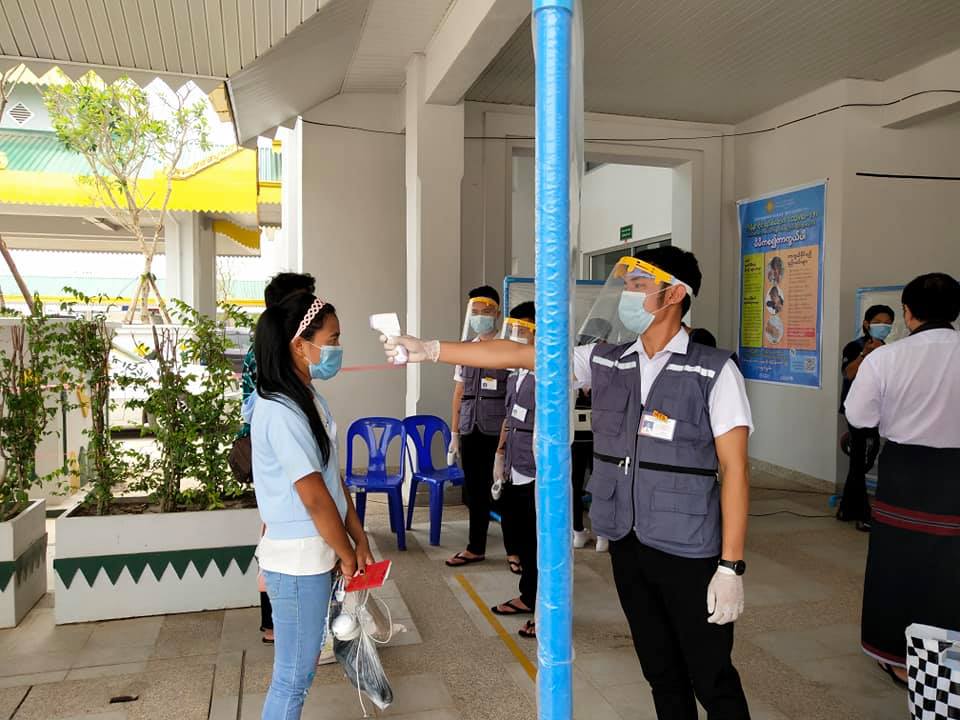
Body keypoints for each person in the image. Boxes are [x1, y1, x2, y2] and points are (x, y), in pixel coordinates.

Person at [383, 246, 754, 719]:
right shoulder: (608, 359)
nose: (627, 295)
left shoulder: (714, 370)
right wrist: (432, 350)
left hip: (689, 548)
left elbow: (735, 471)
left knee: (711, 675)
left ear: (675, 294)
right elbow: (522, 354)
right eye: (627, 285)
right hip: (628, 540)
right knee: (660, 670)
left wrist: (730, 567)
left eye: (639, 286)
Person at [247, 288, 374, 719]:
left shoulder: (308, 399)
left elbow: (332, 478)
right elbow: (314, 496)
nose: (337, 348)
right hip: (297, 559)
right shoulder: (279, 409)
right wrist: (346, 553)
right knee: (293, 678)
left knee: (298, 674)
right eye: (332, 339)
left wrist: (357, 537)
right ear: (300, 345)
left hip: (316, 550)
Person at [845, 273, 960, 688]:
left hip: (906, 472)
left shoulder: (885, 358)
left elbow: (859, 416)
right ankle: (951, 652)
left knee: (898, 564)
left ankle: (897, 657)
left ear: (907, 313)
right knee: (951, 564)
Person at [240, 273, 317, 645]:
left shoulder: (278, 355)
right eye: (307, 302)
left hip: (273, 453)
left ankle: (278, 620)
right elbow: (315, 495)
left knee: (275, 530)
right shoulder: (275, 373)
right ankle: (275, 620)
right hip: (274, 456)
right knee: (276, 533)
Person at [446, 286, 518, 572]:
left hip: (497, 431)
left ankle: (515, 551)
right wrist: (454, 433)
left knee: (505, 492)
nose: (479, 317)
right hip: (470, 429)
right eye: (474, 312)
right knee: (474, 492)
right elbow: (459, 392)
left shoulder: (508, 348)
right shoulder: (466, 349)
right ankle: (475, 547)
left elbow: (514, 397)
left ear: (497, 313)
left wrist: (504, 445)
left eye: (485, 312)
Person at [490, 302, 539, 638]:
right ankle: (528, 595)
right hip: (514, 464)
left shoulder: (545, 373)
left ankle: (541, 609)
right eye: (515, 329)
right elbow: (509, 418)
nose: (517, 335)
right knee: (520, 535)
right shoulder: (516, 374)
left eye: (524, 329)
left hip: (536, 468)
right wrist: (499, 453)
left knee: (538, 543)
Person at [837, 304, 895, 531]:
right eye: (879, 322)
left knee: (862, 460)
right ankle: (862, 513)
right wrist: (865, 354)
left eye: (888, 323)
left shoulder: (889, 350)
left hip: (878, 411)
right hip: (857, 411)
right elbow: (848, 373)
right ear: (867, 324)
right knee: (860, 460)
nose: (884, 327)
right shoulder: (855, 347)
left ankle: (846, 509)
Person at [572, 319, 612, 553]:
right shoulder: (603, 360)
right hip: (599, 437)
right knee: (600, 484)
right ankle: (601, 535)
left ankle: (579, 531)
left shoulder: (574, 358)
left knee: (575, 484)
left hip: (577, 437)